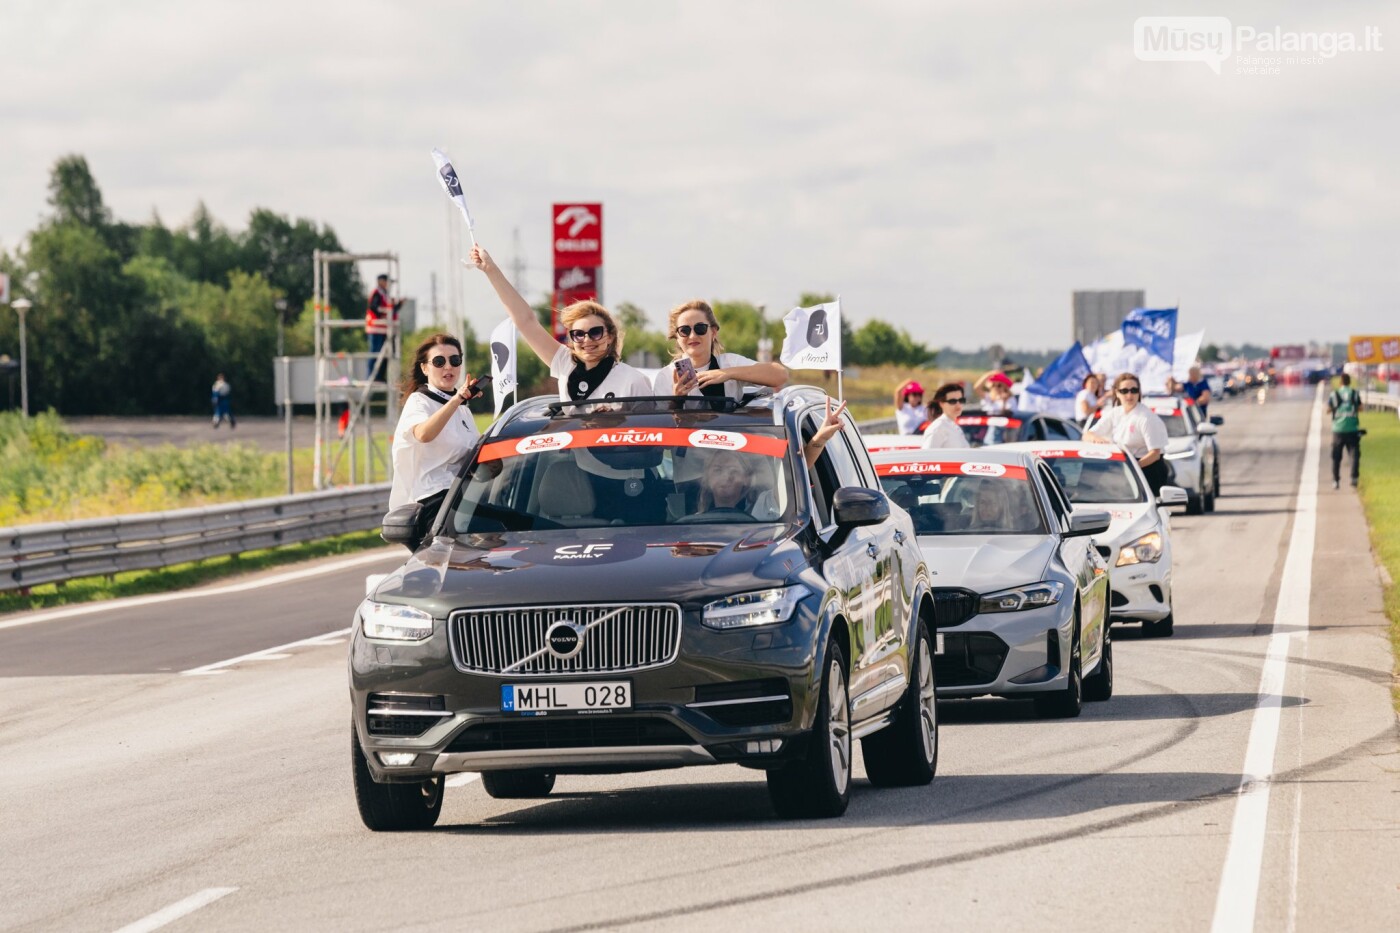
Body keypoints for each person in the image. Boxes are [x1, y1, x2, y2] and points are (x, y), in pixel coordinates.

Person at [469, 246, 651, 405]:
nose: (586, 340)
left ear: (610, 336)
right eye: (578, 334)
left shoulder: (633, 380)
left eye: (595, 332)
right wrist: (490, 269)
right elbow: (525, 321)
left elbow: (650, 436)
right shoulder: (566, 364)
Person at [388, 334, 482, 544]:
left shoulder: (462, 409)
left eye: (454, 360)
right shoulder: (419, 401)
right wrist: (458, 399)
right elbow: (424, 434)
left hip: (464, 496)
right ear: (425, 368)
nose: (448, 367)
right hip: (433, 501)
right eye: (439, 362)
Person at [653, 299, 788, 401]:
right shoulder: (665, 376)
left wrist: (726, 373)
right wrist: (677, 399)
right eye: (684, 330)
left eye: (700, 328)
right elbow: (663, 426)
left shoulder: (729, 363)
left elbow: (780, 375)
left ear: (713, 332)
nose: (693, 336)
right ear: (676, 337)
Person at [1083, 372, 1171, 493]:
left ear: (1139, 393)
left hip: (1148, 469)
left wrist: (1132, 468)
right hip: (1124, 468)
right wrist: (1099, 440)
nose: (1129, 395)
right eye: (1124, 391)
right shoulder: (1114, 413)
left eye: (1134, 390)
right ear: (1117, 393)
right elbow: (1087, 435)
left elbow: (1155, 454)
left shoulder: (1146, 417)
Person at [1327, 373, 1362, 490]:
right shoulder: (1355, 394)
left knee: (1336, 457)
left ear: (1340, 383)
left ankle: (1336, 480)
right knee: (1354, 455)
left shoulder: (1334, 394)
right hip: (1352, 429)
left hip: (1338, 430)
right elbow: (1361, 408)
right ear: (1349, 382)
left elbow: (1328, 409)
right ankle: (1354, 478)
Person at [365, 274, 403, 381]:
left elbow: (391, 310)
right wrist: (384, 313)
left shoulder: (385, 294)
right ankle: (372, 376)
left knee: (385, 355)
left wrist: (398, 305)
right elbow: (374, 308)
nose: (389, 285)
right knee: (375, 353)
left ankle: (380, 377)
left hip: (384, 329)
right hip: (375, 328)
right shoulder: (377, 293)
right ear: (381, 281)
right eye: (387, 282)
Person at [922, 383, 970, 449]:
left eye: (961, 400)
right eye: (952, 401)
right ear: (941, 404)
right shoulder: (938, 428)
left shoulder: (956, 428)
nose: (958, 405)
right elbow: (927, 457)